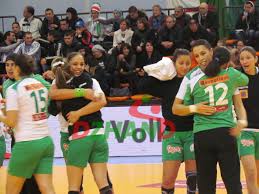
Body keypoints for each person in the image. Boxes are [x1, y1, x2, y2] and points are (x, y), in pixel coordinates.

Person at [172, 45, 248, 194]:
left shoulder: (192, 79)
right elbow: (245, 81)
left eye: (203, 53)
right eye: (197, 56)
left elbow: (178, 108)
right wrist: (196, 108)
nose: (201, 58)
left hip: (209, 134)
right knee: (232, 183)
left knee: (209, 186)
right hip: (220, 133)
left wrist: (242, 121)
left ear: (212, 52)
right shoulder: (229, 73)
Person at [49, 52, 113, 194]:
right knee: (103, 184)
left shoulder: (68, 83)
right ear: (67, 65)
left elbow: (102, 101)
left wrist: (78, 113)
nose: (79, 67)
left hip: (78, 134)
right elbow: (53, 96)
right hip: (97, 133)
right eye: (75, 64)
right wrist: (82, 92)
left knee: (74, 186)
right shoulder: (81, 82)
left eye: (81, 64)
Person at [138, 49, 196, 194]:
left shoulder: (194, 82)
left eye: (187, 63)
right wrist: (161, 71)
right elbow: (141, 86)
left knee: (193, 181)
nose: (184, 66)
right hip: (172, 135)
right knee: (168, 180)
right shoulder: (167, 83)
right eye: (181, 63)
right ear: (174, 64)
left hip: (193, 133)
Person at [0, 54, 55, 194]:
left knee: (11, 191)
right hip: (46, 141)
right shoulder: (39, 84)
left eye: (13, 65)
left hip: (26, 143)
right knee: (47, 188)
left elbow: (11, 121)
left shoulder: (13, 89)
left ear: (18, 68)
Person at [238, 46, 259, 194]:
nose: (244, 61)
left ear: (255, 59)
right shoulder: (237, 78)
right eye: (241, 58)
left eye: (248, 57)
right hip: (245, 131)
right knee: (250, 172)